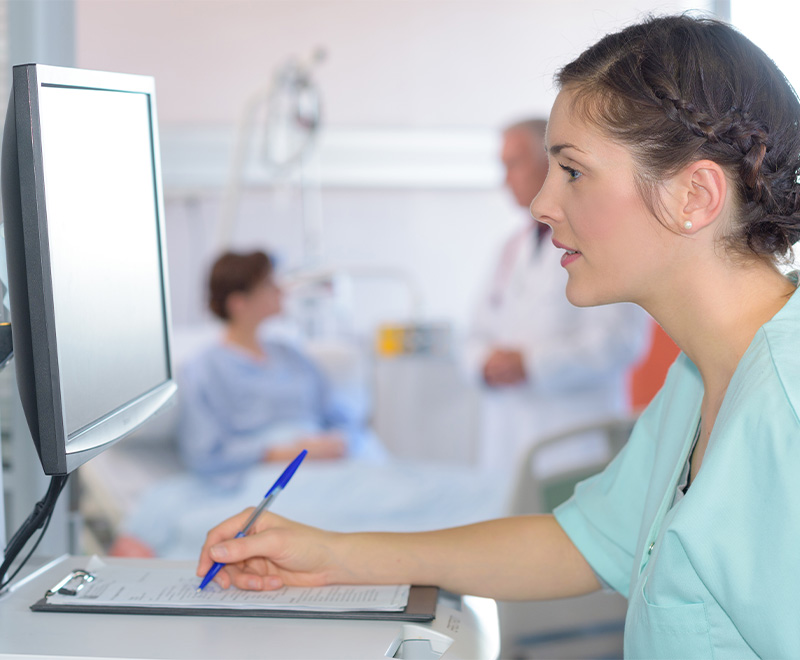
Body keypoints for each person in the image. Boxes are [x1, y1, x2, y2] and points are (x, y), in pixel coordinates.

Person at [197, 15, 800, 657]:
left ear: (694, 194)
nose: (542, 203)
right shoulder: (699, 380)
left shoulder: (784, 407)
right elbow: (579, 543)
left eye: (571, 171)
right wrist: (331, 555)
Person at [464, 118, 651, 472]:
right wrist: (482, 363)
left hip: (575, 443)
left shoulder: (604, 241)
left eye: (513, 165)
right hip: (509, 439)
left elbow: (620, 341)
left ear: (550, 164)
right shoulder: (509, 249)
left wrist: (532, 364)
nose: (505, 180)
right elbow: (475, 332)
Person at [178, 250, 383, 488]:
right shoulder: (204, 368)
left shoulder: (290, 354)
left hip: (330, 463)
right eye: (268, 285)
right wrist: (286, 453)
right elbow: (204, 452)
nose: (281, 290)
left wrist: (338, 442)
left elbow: (340, 416)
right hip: (269, 476)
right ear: (238, 302)